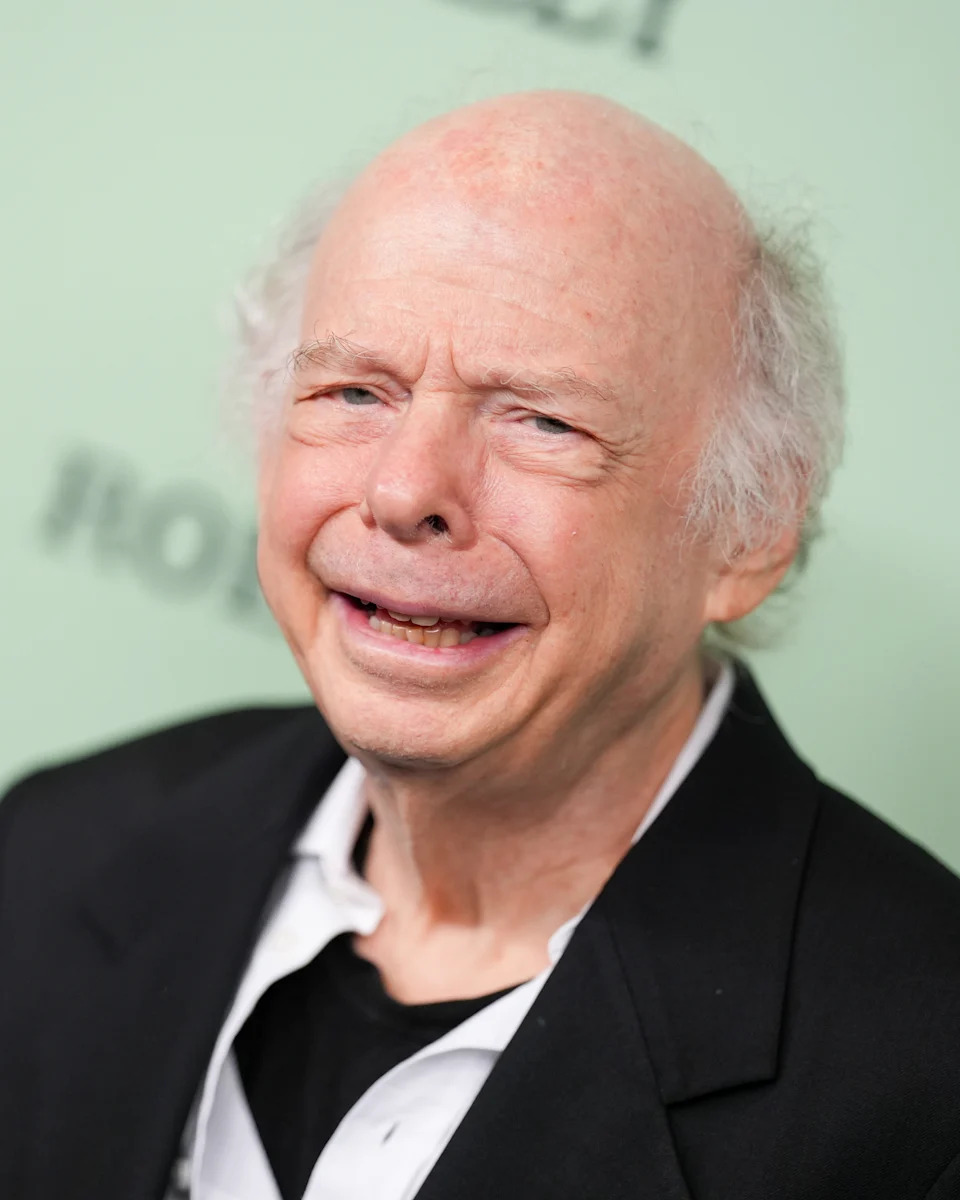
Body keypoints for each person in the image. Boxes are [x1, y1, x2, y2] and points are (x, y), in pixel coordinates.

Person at [1, 90, 958, 1200]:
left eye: (542, 419)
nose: (405, 489)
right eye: (354, 391)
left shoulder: (924, 1087)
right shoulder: (51, 853)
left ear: (749, 531)